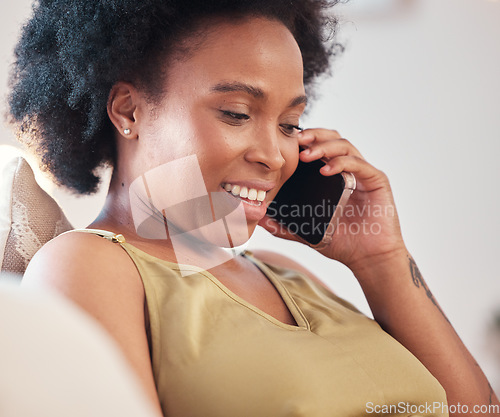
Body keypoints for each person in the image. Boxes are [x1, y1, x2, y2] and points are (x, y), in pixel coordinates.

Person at [8, 0, 498, 416]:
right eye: (237, 114)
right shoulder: (90, 266)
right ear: (128, 111)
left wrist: (381, 259)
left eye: (289, 123)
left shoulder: (286, 273)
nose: (274, 154)